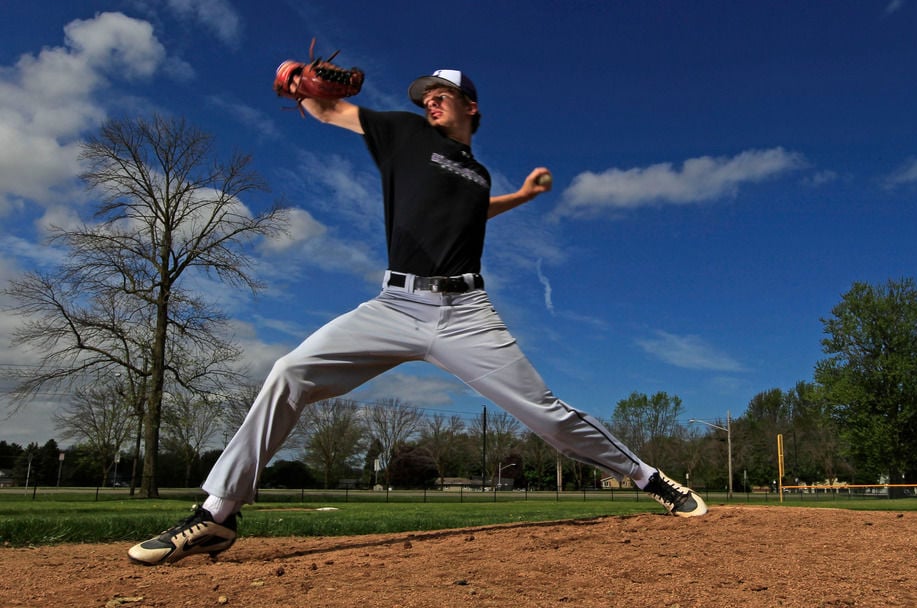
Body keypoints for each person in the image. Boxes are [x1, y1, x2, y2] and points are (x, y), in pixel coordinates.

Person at [128, 68, 707, 566]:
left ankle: (649, 479)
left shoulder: (476, 175)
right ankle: (218, 514)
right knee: (288, 372)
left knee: (548, 417)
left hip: (465, 313)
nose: (428, 99)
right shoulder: (402, 133)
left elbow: (477, 209)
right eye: (424, 93)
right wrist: (295, 85)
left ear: (470, 106)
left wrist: (523, 198)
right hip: (394, 306)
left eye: (441, 92)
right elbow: (331, 109)